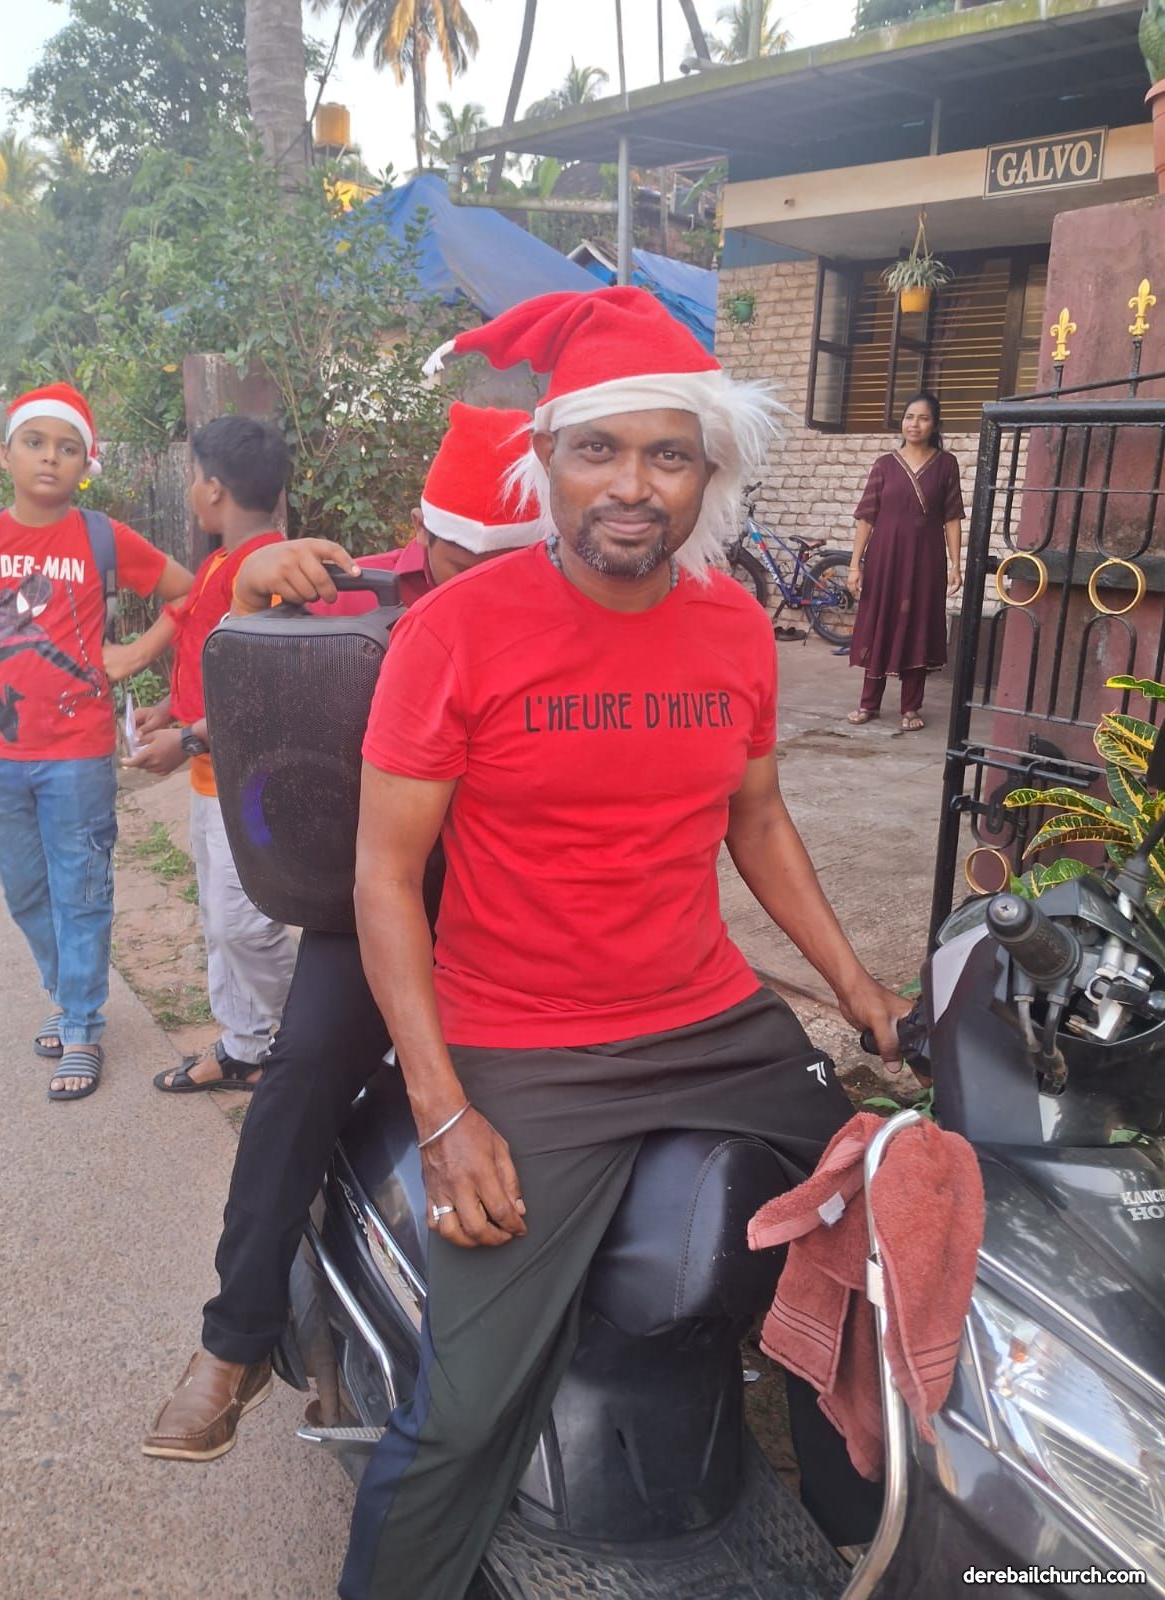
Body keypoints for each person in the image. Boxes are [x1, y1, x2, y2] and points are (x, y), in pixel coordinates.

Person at [342, 287, 911, 1600]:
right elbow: (384, 877)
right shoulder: (453, 633)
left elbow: (756, 820)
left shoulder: (735, 628)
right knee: (469, 1406)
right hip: (528, 1043)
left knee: (881, 1237)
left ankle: (862, 1529)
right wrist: (443, 1112)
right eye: (599, 448)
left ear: (707, 473)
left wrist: (858, 990)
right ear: (546, 457)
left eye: (668, 454)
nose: (633, 485)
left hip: (711, 1019)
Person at [141, 403, 546, 1461]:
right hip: (390, 891)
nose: (477, 584)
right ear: (426, 530)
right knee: (304, 1065)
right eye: (456, 558)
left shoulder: (580, 599)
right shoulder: (364, 587)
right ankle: (233, 1342)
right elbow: (246, 630)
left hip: (538, 902)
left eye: (505, 562)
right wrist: (258, 572)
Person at [0, 382, 193, 1099]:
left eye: (67, 448)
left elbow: (190, 591)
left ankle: (83, 1026)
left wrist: (137, 652)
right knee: (25, 891)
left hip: (75, 755)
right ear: (6, 453)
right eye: (35, 442)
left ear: (84, 464)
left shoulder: (102, 537)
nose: (50, 458)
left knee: (81, 889)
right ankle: (67, 999)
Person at [114, 415, 298, 1090]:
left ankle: (317, 1038)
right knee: (221, 921)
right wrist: (171, 711)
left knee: (246, 927)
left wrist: (188, 737)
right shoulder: (222, 563)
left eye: (193, 477)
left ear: (214, 488)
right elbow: (209, 663)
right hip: (209, 778)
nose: (192, 489)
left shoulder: (272, 569)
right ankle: (245, 1046)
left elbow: (268, 686)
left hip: (250, 786)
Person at [845, 391, 964, 732]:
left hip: (926, 561)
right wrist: (855, 565)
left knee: (919, 624)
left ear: (934, 425)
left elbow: (952, 518)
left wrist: (956, 564)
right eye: (910, 417)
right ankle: (869, 704)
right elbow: (866, 517)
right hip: (885, 558)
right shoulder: (884, 464)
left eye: (923, 418)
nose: (915, 424)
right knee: (879, 621)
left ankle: (911, 707)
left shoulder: (946, 464)